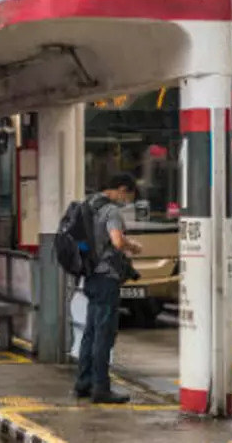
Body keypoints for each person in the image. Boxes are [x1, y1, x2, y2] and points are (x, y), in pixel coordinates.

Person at [74, 173, 144, 404]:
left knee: (90, 331)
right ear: (122, 189)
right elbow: (117, 241)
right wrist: (133, 246)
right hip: (106, 278)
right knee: (104, 334)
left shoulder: (89, 204)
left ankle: (83, 383)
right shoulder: (111, 211)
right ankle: (101, 387)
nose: (127, 201)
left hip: (91, 275)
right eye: (128, 196)